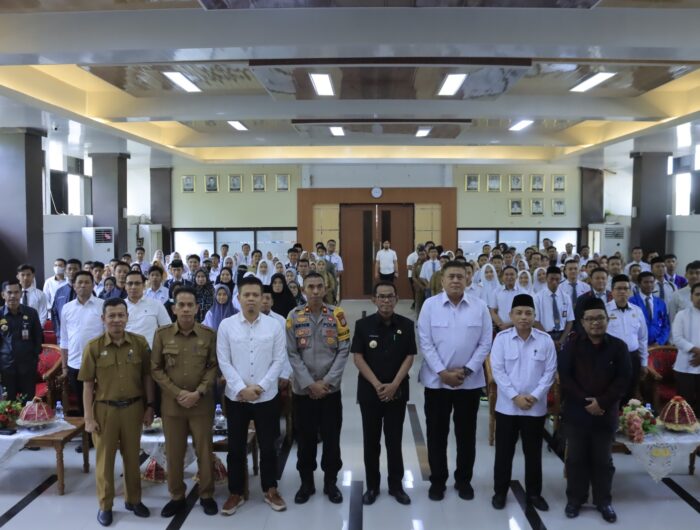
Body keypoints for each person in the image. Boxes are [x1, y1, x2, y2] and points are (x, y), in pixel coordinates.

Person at [417, 260, 492, 501]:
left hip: (468, 383)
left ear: (468, 279)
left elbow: (485, 342)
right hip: (436, 383)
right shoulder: (430, 306)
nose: (456, 280)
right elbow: (425, 342)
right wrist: (442, 372)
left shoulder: (480, 307)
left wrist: (467, 371)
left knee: (466, 435)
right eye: (451, 276)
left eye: (460, 276)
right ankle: (437, 480)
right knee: (436, 434)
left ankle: (463, 480)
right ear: (442, 280)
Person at [79, 297, 155, 527]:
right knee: (105, 461)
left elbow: (147, 377)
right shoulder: (93, 347)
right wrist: (88, 418)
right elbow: (87, 386)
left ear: (127, 317)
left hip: (133, 408)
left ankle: (134, 500)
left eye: (121, 315)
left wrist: (150, 406)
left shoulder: (139, 343)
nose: (116, 320)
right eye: (111, 316)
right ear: (103, 318)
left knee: (132, 458)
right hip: (105, 411)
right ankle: (105, 505)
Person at [217, 276, 287, 515]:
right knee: (236, 448)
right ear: (238, 298)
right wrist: (241, 389)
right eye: (246, 295)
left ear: (262, 298)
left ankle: (270, 489)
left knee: (268, 446)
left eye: (255, 295)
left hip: (266, 397)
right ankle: (236, 492)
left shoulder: (274, 326)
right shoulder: (226, 326)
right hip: (236, 398)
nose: (251, 299)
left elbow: (279, 360)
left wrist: (260, 387)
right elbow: (224, 361)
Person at [558, 297, 631, 523]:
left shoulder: (619, 347)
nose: (595, 323)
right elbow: (565, 378)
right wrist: (587, 402)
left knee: (603, 461)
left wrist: (602, 403)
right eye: (590, 319)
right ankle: (575, 499)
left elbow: (623, 380)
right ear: (582, 322)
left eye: (600, 318)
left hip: (605, 413)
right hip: (577, 413)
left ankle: (603, 501)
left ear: (607, 319)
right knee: (575, 459)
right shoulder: (572, 346)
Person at [151, 286, 219, 517]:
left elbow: (213, 366)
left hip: (202, 404)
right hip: (172, 406)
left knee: (204, 452)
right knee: (174, 453)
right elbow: (156, 368)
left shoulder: (208, 334)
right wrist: (177, 392)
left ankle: (206, 494)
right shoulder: (162, 334)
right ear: (174, 309)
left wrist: (198, 392)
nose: (186, 309)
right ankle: (177, 496)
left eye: (190, 305)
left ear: (197, 308)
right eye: (181, 305)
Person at [287, 272, 350, 505]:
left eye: (319, 286)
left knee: (332, 440)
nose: (315, 291)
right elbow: (292, 352)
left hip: (330, 392)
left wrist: (327, 382)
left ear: (325, 289)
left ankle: (331, 483)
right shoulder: (294, 316)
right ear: (303, 289)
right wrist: (309, 384)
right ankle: (306, 483)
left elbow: (344, 349)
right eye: (310, 287)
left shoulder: (337, 315)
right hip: (303, 392)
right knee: (305, 440)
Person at [490, 294, 556, 511]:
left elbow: (549, 372)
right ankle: (500, 492)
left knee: (533, 453)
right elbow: (498, 371)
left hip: (534, 408)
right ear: (511, 315)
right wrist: (515, 397)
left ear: (535, 315)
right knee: (504, 452)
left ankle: (534, 493)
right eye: (519, 313)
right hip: (507, 407)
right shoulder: (501, 339)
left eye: (528, 313)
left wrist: (534, 396)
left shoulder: (545, 340)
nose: (524, 317)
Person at [352, 281, 416, 506]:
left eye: (390, 296)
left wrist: (394, 385)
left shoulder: (407, 325)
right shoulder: (363, 325)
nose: (386, 300)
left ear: (396, 299)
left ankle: (396, 486)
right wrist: (378, 384)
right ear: (374, 299)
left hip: (397, 393)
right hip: (370, 393)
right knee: (371, 441)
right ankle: (372, 486)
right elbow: (358, 357)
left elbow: (409, 356)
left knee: (394, 441)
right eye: (381, 296)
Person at [60, 271, 104, 418]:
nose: (83, 285)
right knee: (82, 403)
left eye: (87, 282)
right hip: (75, 363)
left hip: (99, 362)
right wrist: (64, 366)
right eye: (79, 282)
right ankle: (86, 431)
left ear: (93, 285)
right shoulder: (67, 308)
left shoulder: (102, 305)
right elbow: (64, 339)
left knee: (101, 402)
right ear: (74, 285)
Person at [606, 274, 648, 401]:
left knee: (631, 392)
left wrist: (644, 362)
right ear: (612, 291)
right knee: (613, 393)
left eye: (625, 288)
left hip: (632, 357)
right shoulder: (605, 310)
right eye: (619, 288)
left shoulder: (637, 311)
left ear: (630, 291)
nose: (622, 291)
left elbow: (643, 338)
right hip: (612, 358)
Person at [0, 280, 43, 401]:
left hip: (28, 366)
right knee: (8, 403)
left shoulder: (31, 313)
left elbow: (38, 337)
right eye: (9, 292)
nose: (13, 296)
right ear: (3, 295)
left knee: (28, 402)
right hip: (6, 367)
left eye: (16, 292)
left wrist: (34, 358)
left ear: (20, 294)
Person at [671, 282, 700, 415]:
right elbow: (677, 338)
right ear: (691, 297)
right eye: (697, 294)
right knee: (684, 407)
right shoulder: (681, 315)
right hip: (685, 366)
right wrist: (697, 351)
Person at [534, 266, 574, 350]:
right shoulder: (538, 298)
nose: (554, 282)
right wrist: (549, 340)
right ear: (546, 278)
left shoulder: (566, 297)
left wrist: (561, 341)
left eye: (557, 279)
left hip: (562, 335)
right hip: (545, 335)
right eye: (551, 279)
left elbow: (569, 321)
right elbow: (536, 322)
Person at [629, 272, 670, 346]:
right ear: (639, 284)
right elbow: (629, 326)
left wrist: (659, 341)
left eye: (651, 282)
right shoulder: (631, 302)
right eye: (646, 282)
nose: (649, 285)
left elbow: (665, 325)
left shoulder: (660, 302)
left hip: (657, 345)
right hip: (638, 345)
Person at [51, 258, 82, 340]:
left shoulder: (86, 290)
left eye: (75, 269)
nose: (72, 271)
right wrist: (58, 332)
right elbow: (54, 313)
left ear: (80, 271)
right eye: (69, 269)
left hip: (80, 335)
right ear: (65, 271)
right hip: (62, 335)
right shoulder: (60, 291)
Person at [489, 266, 518, 332]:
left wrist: (509, 325)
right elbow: (493, 311)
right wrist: (501, 325)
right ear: (502, 277)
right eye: (506, 274)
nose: (509, 277)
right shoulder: (496, 292)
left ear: (516, 276)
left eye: (512, 274)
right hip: (500, 328)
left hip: (518, 328)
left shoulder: (523, 292)